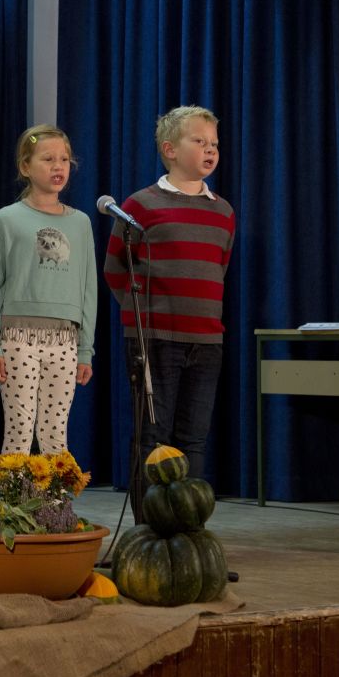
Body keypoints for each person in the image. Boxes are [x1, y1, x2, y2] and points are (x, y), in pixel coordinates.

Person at [103, 105, 235, 480]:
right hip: (155, 339)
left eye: (214, 143)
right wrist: (143, 314)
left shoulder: (223, 212)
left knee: (194, 438)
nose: (210, 149)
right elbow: (115, 268)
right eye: (199, 141)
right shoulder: (140, 205)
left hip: (206, 341)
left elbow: (219, 268)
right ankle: (150, 514)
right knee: (153, 437)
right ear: (170, 150)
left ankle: (187, 513)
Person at [0, 125, 97, 455]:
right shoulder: (6, 220)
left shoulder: (80, 223)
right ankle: (13, 490)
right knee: (19, 428)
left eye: (64, 159)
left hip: (65, 339)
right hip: (17, 336)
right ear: (25, 166)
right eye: (48, 159)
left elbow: (88, 290)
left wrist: (85, 349)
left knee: (55, 433)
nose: (58, 166)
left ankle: (56, 491)